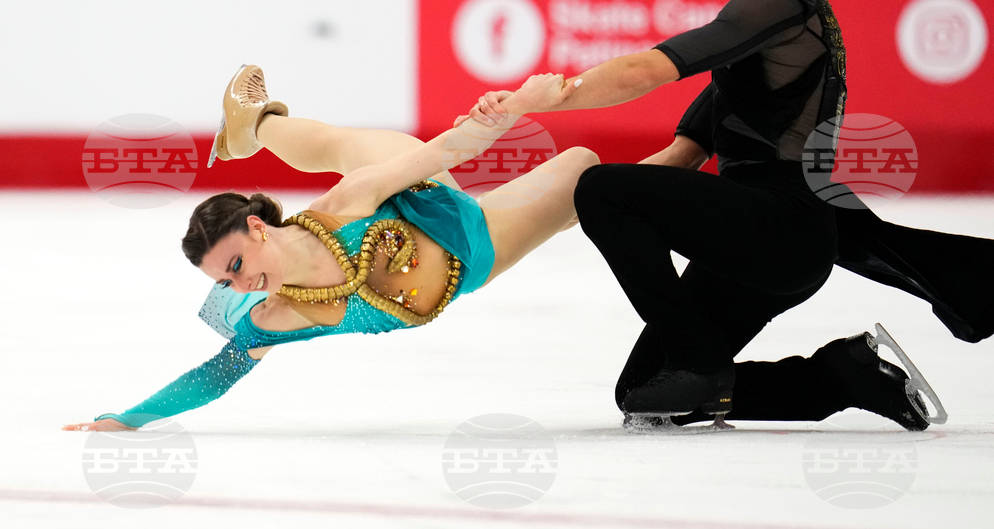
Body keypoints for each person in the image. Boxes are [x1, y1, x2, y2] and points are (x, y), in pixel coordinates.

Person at [459, 0, 994, 431]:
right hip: (767, 236)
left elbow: (647, 69)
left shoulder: (786, 2)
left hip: (780, 224)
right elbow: (678, 159)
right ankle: (840, 376)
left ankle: (698, 360)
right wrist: (557, 209)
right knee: (643, 392)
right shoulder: (767, 30)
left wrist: (543, 99)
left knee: (607, 193)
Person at [62, 65, 596, 431]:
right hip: (476, 252)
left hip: (425, 201)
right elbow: (218, 372)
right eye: (226, 282)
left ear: (257, 228)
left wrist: (523, 102)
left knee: (342, 149)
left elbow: (448, 149)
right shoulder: (274, 316)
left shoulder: (348, 200)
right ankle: (254, 127)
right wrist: (129, 417)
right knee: (584, 176)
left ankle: (258, 124)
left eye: (237, 265)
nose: (241, 285)